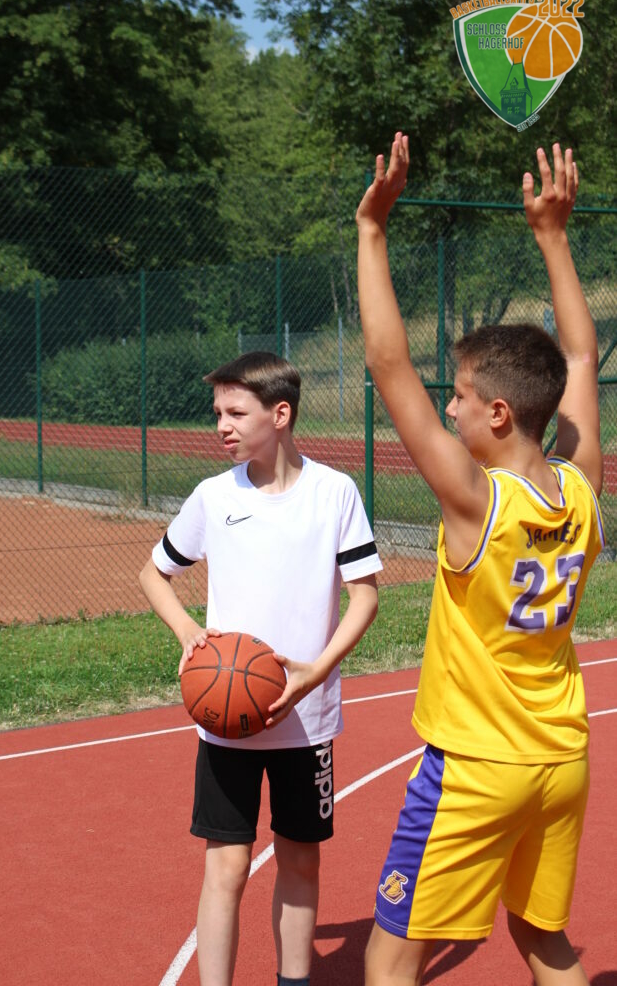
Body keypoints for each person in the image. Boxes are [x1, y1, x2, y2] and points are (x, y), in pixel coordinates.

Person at [355, 133, 604, 986]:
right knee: (542, 939)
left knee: (390, 959)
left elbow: (386, 362)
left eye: (458, 397)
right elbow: (580, 358)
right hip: (559, 758)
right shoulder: (581, 490)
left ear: (498, 414)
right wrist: (552, 237)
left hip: (475, 765)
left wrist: (372, 230)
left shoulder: (475, 502)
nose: (448, 408)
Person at [139, 351, 381, 986]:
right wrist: (188, 632)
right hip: (226, 718)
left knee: (301, 861)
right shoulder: (213, 496)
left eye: (235, 412)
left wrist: (315, 671)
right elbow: (154, 573)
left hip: (308, 719)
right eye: (217, 412)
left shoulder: (334, 492)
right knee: (226, 866)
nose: (221, 425)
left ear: (280, 414)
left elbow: (365, 597)